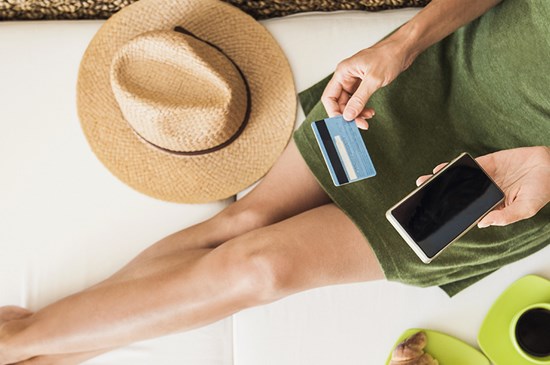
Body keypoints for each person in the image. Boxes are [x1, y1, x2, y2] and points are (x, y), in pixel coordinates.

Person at [0, 0, 548, 363]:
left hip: (513, 178)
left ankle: (23, 340)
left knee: (261, 267)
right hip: (441, 74)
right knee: (242, 222)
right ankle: (47, 351)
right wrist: (403, 41)